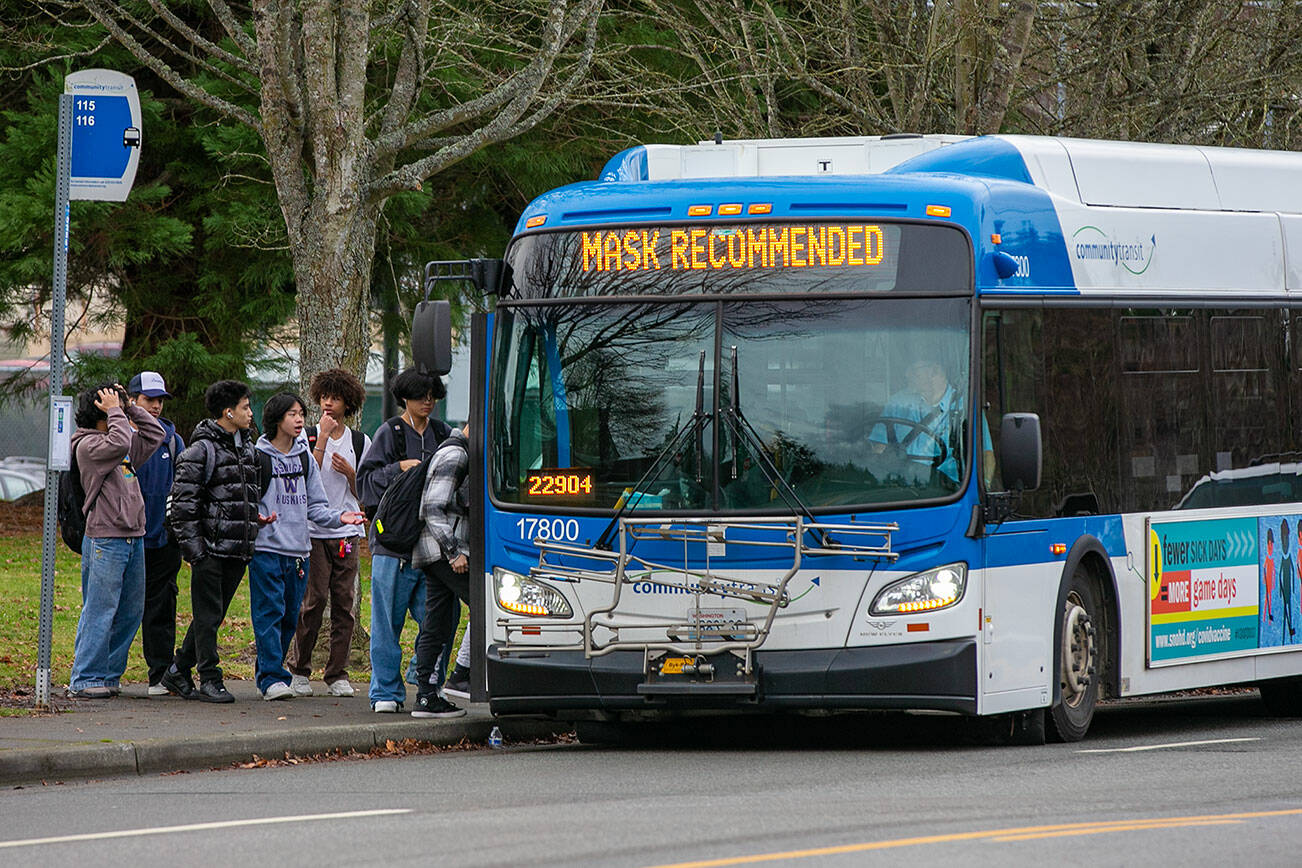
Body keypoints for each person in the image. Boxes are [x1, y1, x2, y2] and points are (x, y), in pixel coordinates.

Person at [161, 380, 271, 703]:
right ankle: (210, 677)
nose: (251, 413)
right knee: (208, 615)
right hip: (209, 549)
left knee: (212, 614)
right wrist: (196, 551)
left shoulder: (247, 449)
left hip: (238, 548)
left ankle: (179, 668)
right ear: (228, 412)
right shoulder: (200, 451)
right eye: (245, 407)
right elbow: (183, 506)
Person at [250, 392, 364, 700]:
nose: (300, 419)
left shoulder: (303, 458)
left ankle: (270, 671)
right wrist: (257, 517)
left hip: (299, 552)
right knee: (269, 612)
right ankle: (273, 677)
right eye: (292, 414)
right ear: (276, 419)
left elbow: (316, 507)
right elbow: (246, 501)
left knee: (289, 616)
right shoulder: (257, 456)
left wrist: (341, 517)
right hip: (267, 549)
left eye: (301, 413)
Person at [357, 368, 452, 712]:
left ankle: (427, 681)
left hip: (432, 546)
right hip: (393, 546)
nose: (427, 402)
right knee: (387, 621)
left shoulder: (444, 433)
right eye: (419, 396)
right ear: (404, 398)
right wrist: (399, 469)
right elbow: (365, 482)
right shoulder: (390, 433)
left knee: (440, 618)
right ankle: (385, 692)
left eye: (432, 395)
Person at [67, 382, 165, 698]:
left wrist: (130, 406)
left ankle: (108, 674)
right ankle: (85, 677)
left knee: (130, 610)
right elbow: (122, 441)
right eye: (112, 406)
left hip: (132, 536)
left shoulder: (119, 441)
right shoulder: (89, 446)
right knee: (100, 608)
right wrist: (115, 411)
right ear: (100, 411)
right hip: (105, 538)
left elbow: (155, 435)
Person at [289, 369, 371, 698]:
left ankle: (337, 672)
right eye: (324, 397)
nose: (328, 403)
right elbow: (305, 478)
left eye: (335, 398)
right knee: (313, 601)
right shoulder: (306, 436)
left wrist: (352, 474)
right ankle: (299, 669)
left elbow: (365, 490)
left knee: (344, 603)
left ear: (347, 403)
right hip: (313, 531)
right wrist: (320, 439)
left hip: (346, 532)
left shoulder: (360, 441)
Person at [128, 371, 185, 697]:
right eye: (150, 399)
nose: (156, 406)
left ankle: (159, 674)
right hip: (124, 537)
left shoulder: (174, 441)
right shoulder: (119, 436)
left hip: (163, 539)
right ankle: (105, 673)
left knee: (162, 606)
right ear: (133, 401)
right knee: (120, 608)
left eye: (160, 400)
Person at [411, 423, 471, 718]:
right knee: (488, 603)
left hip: (435, 552)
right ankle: (464, 674)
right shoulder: (456, 455)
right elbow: (432, 508)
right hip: (444, 552)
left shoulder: (457, 451)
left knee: (437, 621)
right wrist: (454, 553)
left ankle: (427, 694)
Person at [869, 357, 993, 487]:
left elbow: (986, 455)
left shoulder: (965, 407)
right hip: (900, 487)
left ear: (935, 370)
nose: (907, 375)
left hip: (948, 492)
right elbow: (879, 448)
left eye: (913, 370)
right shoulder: (897, 402)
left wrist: (984, 488)